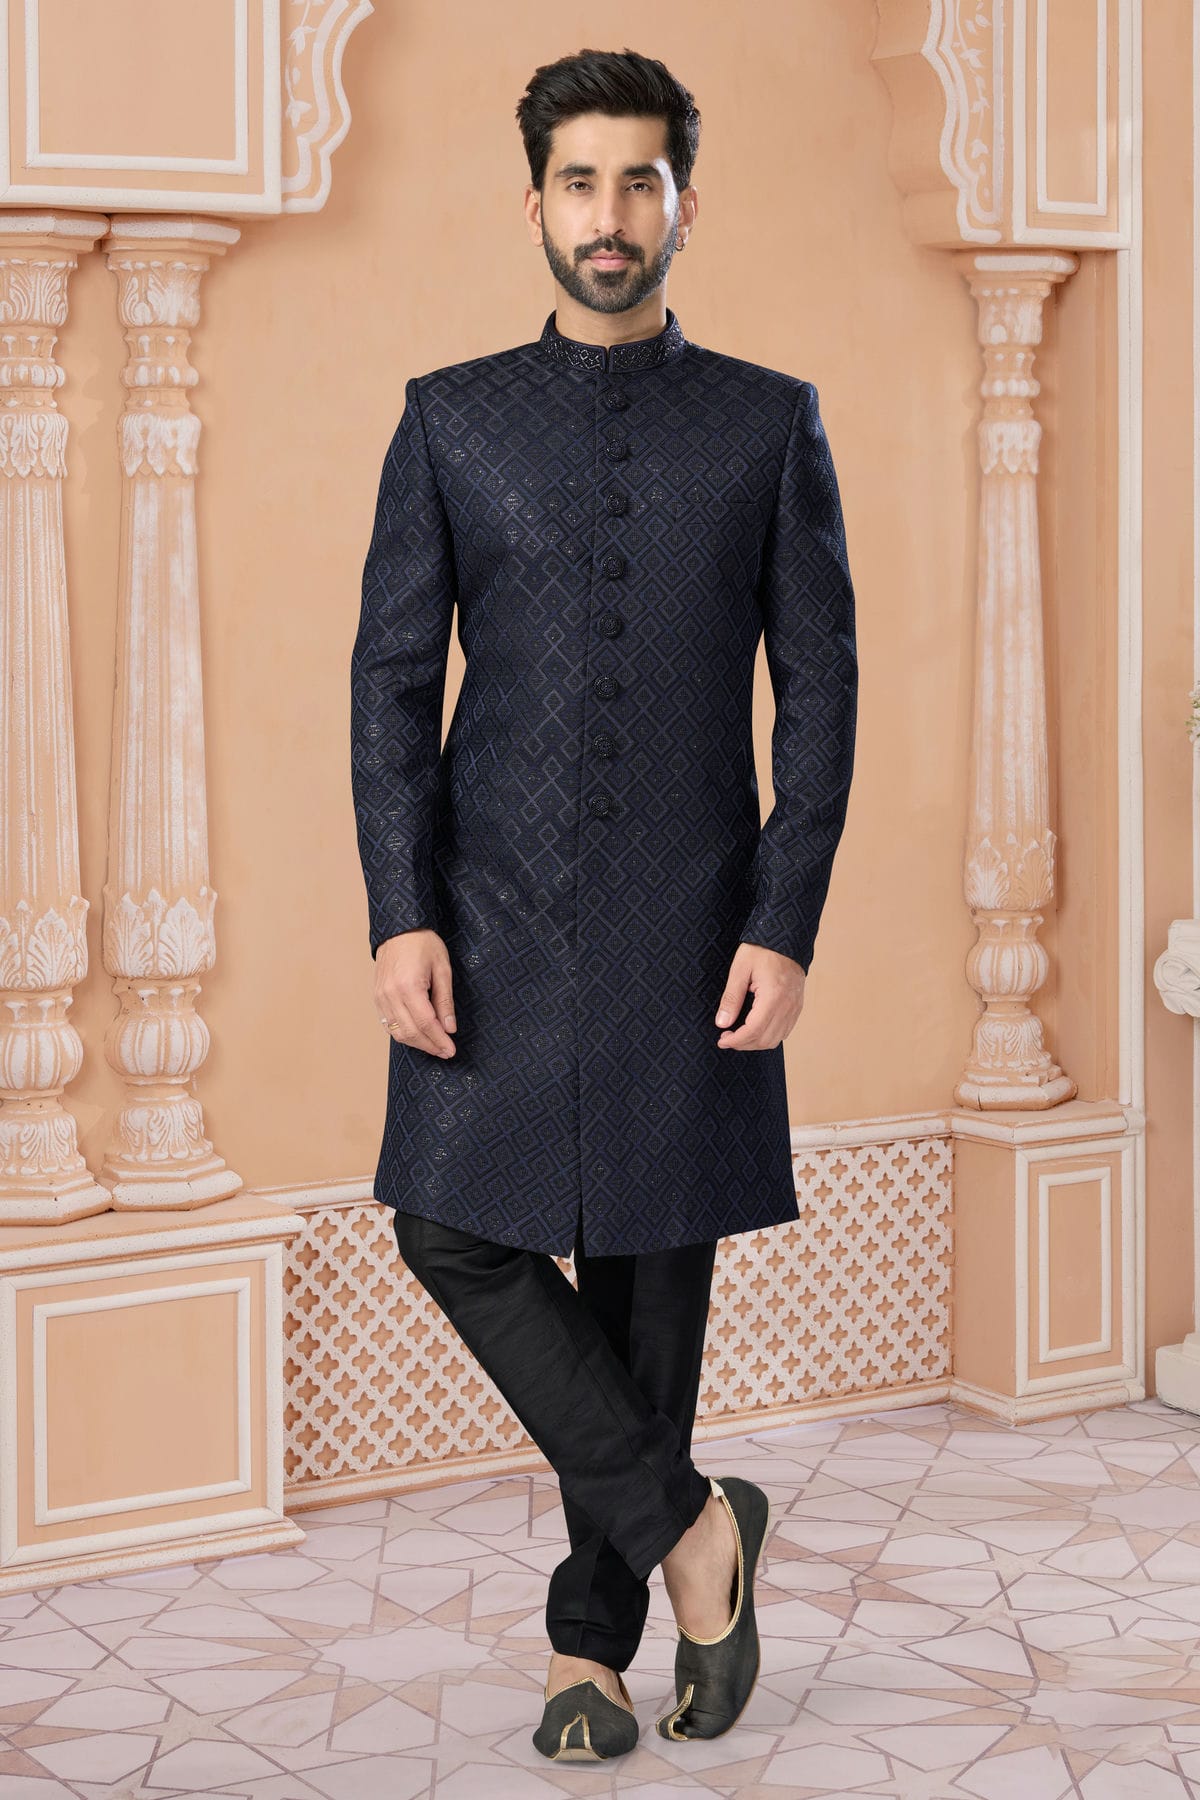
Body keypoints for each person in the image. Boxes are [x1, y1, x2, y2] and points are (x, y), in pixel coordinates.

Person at [349, 45, 858, 1761]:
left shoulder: (769, 422)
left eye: (641, 179)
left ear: (683, 204)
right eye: (581, 181)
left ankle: (588, 1651)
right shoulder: (450, 419)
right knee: (449, 1227)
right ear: (536, 208)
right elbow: (390, 685)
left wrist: (784, 917)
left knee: (649, 1286)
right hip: (487, 918)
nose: (611, 212)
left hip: (694, 920)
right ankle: (700, 1535)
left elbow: (824, 689)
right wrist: (399, 910)